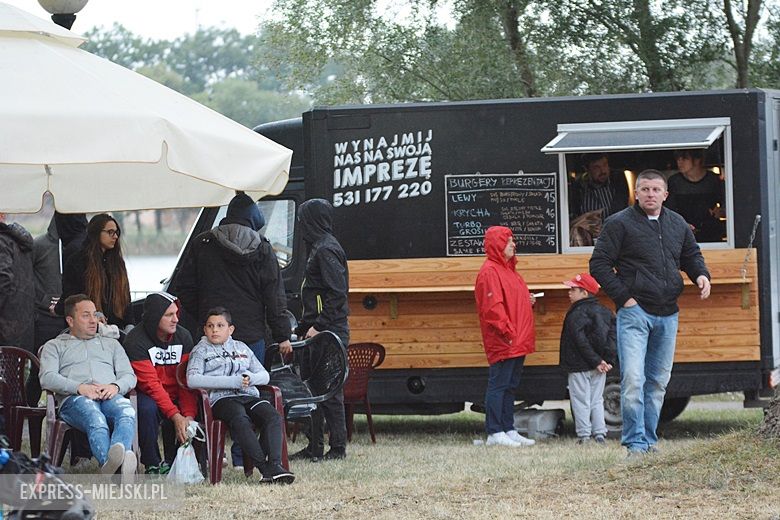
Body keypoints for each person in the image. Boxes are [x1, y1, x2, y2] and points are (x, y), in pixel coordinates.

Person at [590, 169, 711, 458]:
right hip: (635, 313)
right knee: (633, 379)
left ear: (665, 194)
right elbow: (599, 264)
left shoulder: (677, 223)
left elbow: (691, 256)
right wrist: (624, 298)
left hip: (669, 313)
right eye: (644, 189)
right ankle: (635, 444)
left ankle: (649, 441)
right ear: (637, 192)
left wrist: (701, 275)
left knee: (657, 382)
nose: (650, 194)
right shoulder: (618, 223)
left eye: (656, 190)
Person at [176, 192, 292, 469]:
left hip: (211, 332)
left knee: (210, 396)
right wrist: (282, 334)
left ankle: (210, 455)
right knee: (249, 394)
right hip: (251, 334)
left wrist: (204, 315)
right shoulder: (263, 248)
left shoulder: (203, 243)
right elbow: (274, 296)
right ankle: (245, 459)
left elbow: (183, 288)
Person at [187, 307, 294, 484]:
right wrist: (232, 382)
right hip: (222, 399)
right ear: (205, 329)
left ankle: (275, 465)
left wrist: (251, 378)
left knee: (273, 416)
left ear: (230, 329)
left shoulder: (241, 347)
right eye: (210, 326)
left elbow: (265, 375)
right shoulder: (201, 350)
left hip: (248, 394)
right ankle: (264, 467)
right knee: (240, 418)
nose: (215, 330)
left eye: (220, 325)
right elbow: (192, 379)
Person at [38, 294, 137, 480]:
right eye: (86, 315)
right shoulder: (54, 346)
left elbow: (129, 375)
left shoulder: (112, 344)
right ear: (70, 320)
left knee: (127, 411)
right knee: (95, 416)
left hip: (109, 395)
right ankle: (117, 469)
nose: (93, 320)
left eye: (95, 314)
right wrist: (79, 388)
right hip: (75, 400)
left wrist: (115, 386)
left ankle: (114, 468)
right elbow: (47, 377)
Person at [288, 198, 350, 462]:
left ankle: (337, 448)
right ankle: (314, 446)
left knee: (330, 391)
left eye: (303, 219)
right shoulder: (319, 246)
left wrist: (318, 326)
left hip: (329, 333)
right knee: (313, 390)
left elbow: (337, 295)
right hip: (318, 330)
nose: (300, 225)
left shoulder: (325, 250)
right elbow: (315, 295)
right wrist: (302, 327)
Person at [474, 226, 536, 447]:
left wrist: (526, 300)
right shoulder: (490, 271)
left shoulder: (510, 271)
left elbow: (509, 301)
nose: (513, 244)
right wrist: (508, 333)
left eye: (512, 240)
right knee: (499, 385)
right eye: (508, 241)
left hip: (517, 340)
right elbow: (493, 309)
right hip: (504, 340)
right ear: (497, 245)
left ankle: (508, 428)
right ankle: (494, 431)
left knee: (510, 386)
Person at [123, 292, 198, 474]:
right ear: (155, 317)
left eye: (176, 314)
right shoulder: (135, 340)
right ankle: (153, 464)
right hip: (148, 393)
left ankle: (178, 462)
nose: (175, 320)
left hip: (177, 392)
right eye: (169, 315)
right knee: (146, 408)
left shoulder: (184, 336)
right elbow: (151, 385)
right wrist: (175, 415)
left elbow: (186, 380)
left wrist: (187, 415)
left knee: (193, 410)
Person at [30, 212, 87, 406]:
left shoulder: (82, 247)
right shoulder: (40, 245)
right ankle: (29, 409)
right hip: (46, 318)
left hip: (73, 318)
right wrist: (45, 300)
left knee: (73, 366)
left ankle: (67, 406)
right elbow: (26, 277)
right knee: (39, 367)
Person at [559, 273, 616, 445]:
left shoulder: (575, 314)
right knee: (597, 399)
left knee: (580, 400)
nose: (569, 292)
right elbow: (613, 338)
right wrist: (607, 360)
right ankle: (600, 433)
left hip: (579, 365)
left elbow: (580, 341)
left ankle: (584, 435)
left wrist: (596, 361)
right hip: (600, 366)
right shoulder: (606, 312)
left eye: (573, 289)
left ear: (585, 293)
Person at [57, 213, 133, 330]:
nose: (115, 237)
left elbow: (125, 296)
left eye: (116, 232)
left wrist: (129, 324)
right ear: (96, 233)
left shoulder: (117, 263)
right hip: (88, 327)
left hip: (116, 328)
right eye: (110, 232)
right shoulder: (78, 261)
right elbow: (73, 296)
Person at [665, 149, 725, 242]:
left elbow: (727, 203)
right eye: (678, 159)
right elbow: (669, 210)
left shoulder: (713, 180)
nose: (679, 162)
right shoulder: (674, 181)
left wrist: (721, 211)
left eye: (684, 159)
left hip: (711, 232)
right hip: (683, 233)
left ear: (697, 160)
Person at [0, 211, 35, 363]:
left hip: (5, 323)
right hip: (21, 322)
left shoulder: (2, 241)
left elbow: (3, 280)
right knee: (16, 378)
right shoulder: (15, 241)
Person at [569, 153, 630, 232]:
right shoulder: (578, 188)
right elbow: (573, 219)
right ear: (587, 169)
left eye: (605, 165)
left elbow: (624, 210)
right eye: (596, 167)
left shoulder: (618, 181)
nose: (603, 171)